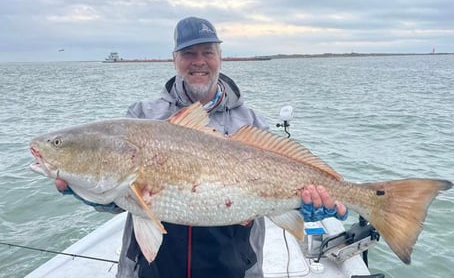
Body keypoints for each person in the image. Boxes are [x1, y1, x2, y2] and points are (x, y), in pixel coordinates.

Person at [55, 16, 347, 278]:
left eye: (208, 52)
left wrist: (312, 201)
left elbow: (276, 192)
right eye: (188, 53)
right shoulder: (143, 115)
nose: (199, 61)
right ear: (174, 59)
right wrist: (96, 194)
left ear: (220, 57)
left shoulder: (252, 120)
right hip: (151, 269)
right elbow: (123, 197)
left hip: (234, 267)